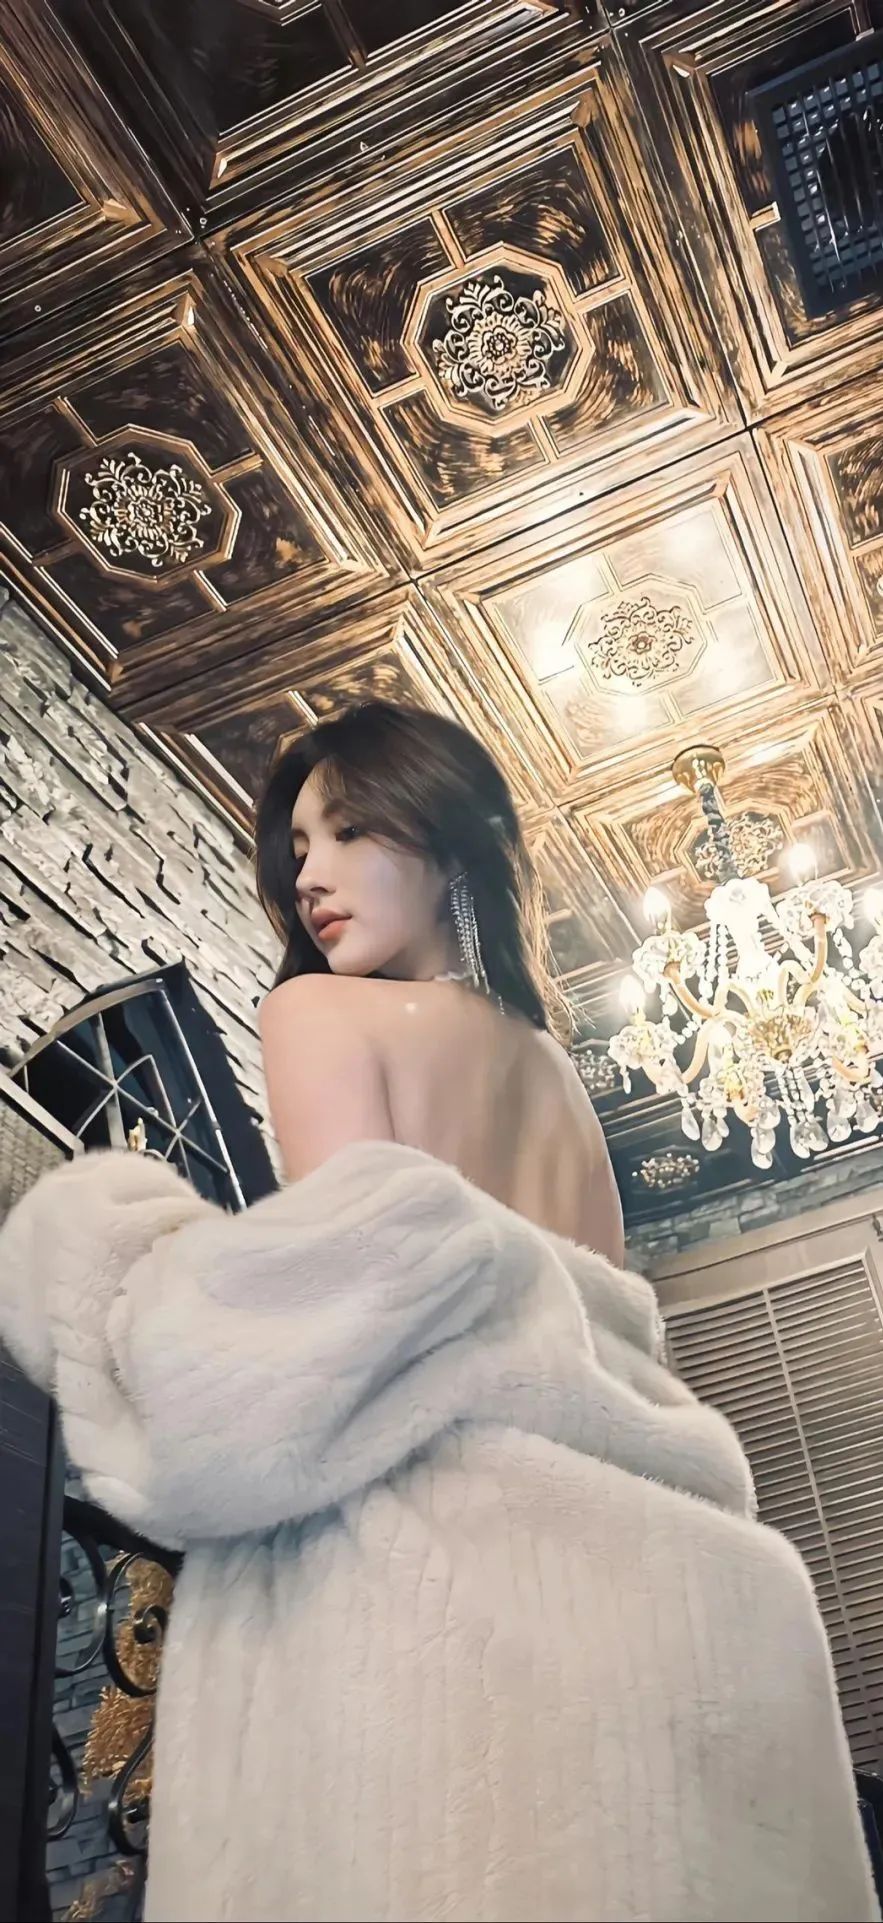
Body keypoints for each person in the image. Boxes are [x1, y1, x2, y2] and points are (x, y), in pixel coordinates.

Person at [0, 701, 876, 1923]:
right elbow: (601, 1336)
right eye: (296, 849)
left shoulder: (316, 1012)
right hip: (643, 1576)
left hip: (427, 1576)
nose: (309, 877)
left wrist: (102, 1253)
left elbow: (339, 1305)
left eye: (349, 830)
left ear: (447, 841)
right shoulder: (555, 1071)